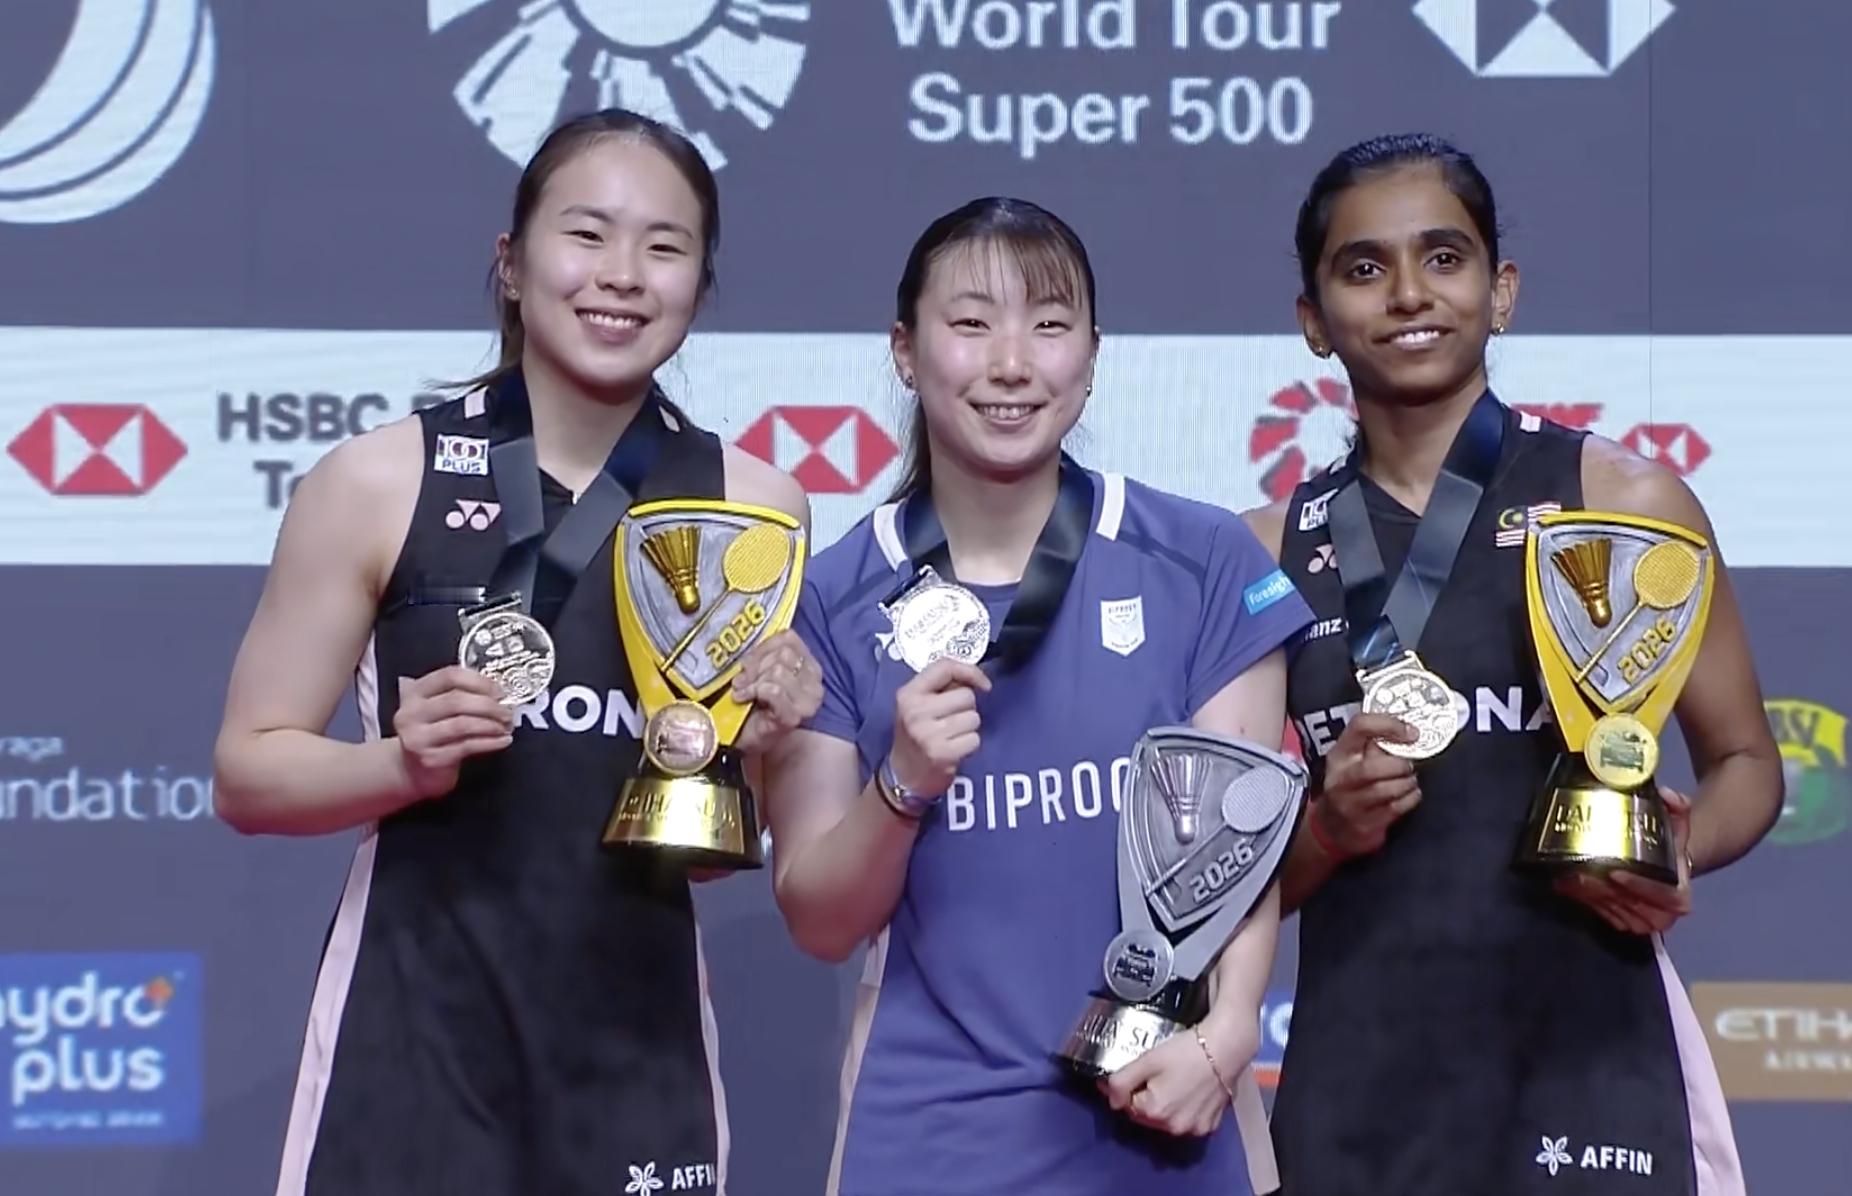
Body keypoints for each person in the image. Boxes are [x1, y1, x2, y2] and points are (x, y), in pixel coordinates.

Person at [212, 109, 821, 1196]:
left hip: (638, 1057)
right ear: (511, 262)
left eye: (664, 246)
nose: (622, 274)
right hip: (408, 1048)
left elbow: (724, 841)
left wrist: (765, 743)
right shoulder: (376, 481)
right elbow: (248, 774)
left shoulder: (751, 508)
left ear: (700, 286)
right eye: (586, 234)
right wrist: (399, 765)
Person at [1246, 133, 1784, 1195]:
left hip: (1591, 1062)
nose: (1409, 293)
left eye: (1443, 258)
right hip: (1360, 1087)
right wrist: (1325, 828)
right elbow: (1234, 882)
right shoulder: (1261, 554)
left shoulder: (1624, 502)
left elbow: (1747, 763)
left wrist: (1679, 850)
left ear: (1500, 292)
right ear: (1313, 319)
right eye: (1364, 267)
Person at [761, 197, 1314, 1196]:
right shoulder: (830, 598)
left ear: (1092, 357)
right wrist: (903, 784)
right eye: (971, 323)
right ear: (904, 350)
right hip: (928, 1141)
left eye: (1050, 325)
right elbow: (820, 921)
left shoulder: (1202, 558)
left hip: (1171, 1117)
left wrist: (1229, 1033)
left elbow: (1243, 839)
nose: (1012, 362)